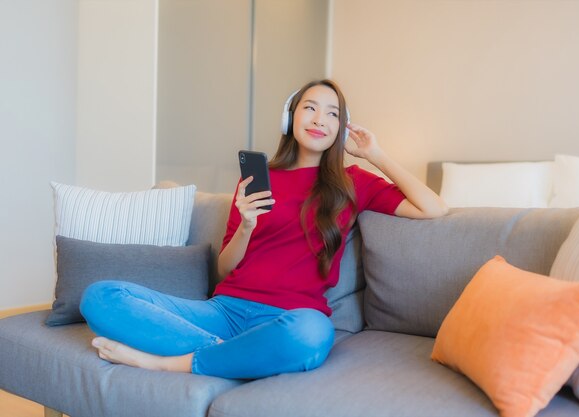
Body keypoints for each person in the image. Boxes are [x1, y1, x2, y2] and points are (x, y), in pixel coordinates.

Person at [79, 79, 448, 379]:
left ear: (340, 128)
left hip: (291, 317)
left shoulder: (352, 182)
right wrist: (246, 225)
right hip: (224, 312)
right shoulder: (256, 180)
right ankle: (234, 357)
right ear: (289, 119)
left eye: (332, 113)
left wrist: (376, 155)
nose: (320, 119)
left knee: (310, 336)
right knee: (101, 296)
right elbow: (225, 269)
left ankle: (167, 362)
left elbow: (434, 208)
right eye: (310, 108)